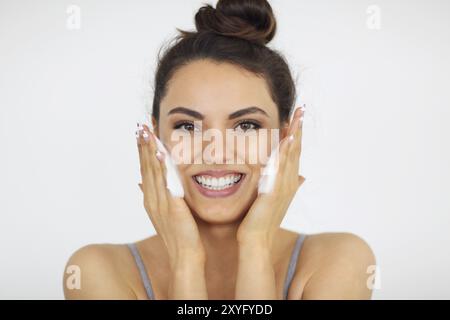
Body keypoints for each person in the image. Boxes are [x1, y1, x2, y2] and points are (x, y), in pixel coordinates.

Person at [63, 0, 375, 300]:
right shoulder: (99, 272)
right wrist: (186, 259)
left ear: (285, 137)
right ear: (155, 136)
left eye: (246, 125)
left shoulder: (340, 263)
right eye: (188, 126)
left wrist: (255, 248)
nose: (215, 153)